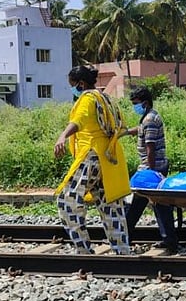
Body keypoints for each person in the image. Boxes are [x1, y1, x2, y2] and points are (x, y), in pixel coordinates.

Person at [54, 65, 131, 254]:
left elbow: (78, 121)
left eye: (72, 85)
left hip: (92, 155)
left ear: (80, 83)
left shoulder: (88, 98)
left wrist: (62, 136)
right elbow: (120, 127)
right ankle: (123, 251)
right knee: (110, 205)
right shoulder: (105, 98)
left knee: (67, 200)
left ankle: (84, 250)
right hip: (109, 158)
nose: (72, 89)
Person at [124, 86, 178, 252]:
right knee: (157, 205)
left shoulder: (149, 120)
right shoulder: (150, 117)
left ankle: (124, 236)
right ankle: (169, 239)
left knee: (137, 205)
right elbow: (141, 131)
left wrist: (151, 173)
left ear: (145, 103)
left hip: (151, 169)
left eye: (136, 103)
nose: (134, 107)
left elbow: (150, 148)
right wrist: (125, 132)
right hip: (154, 167)